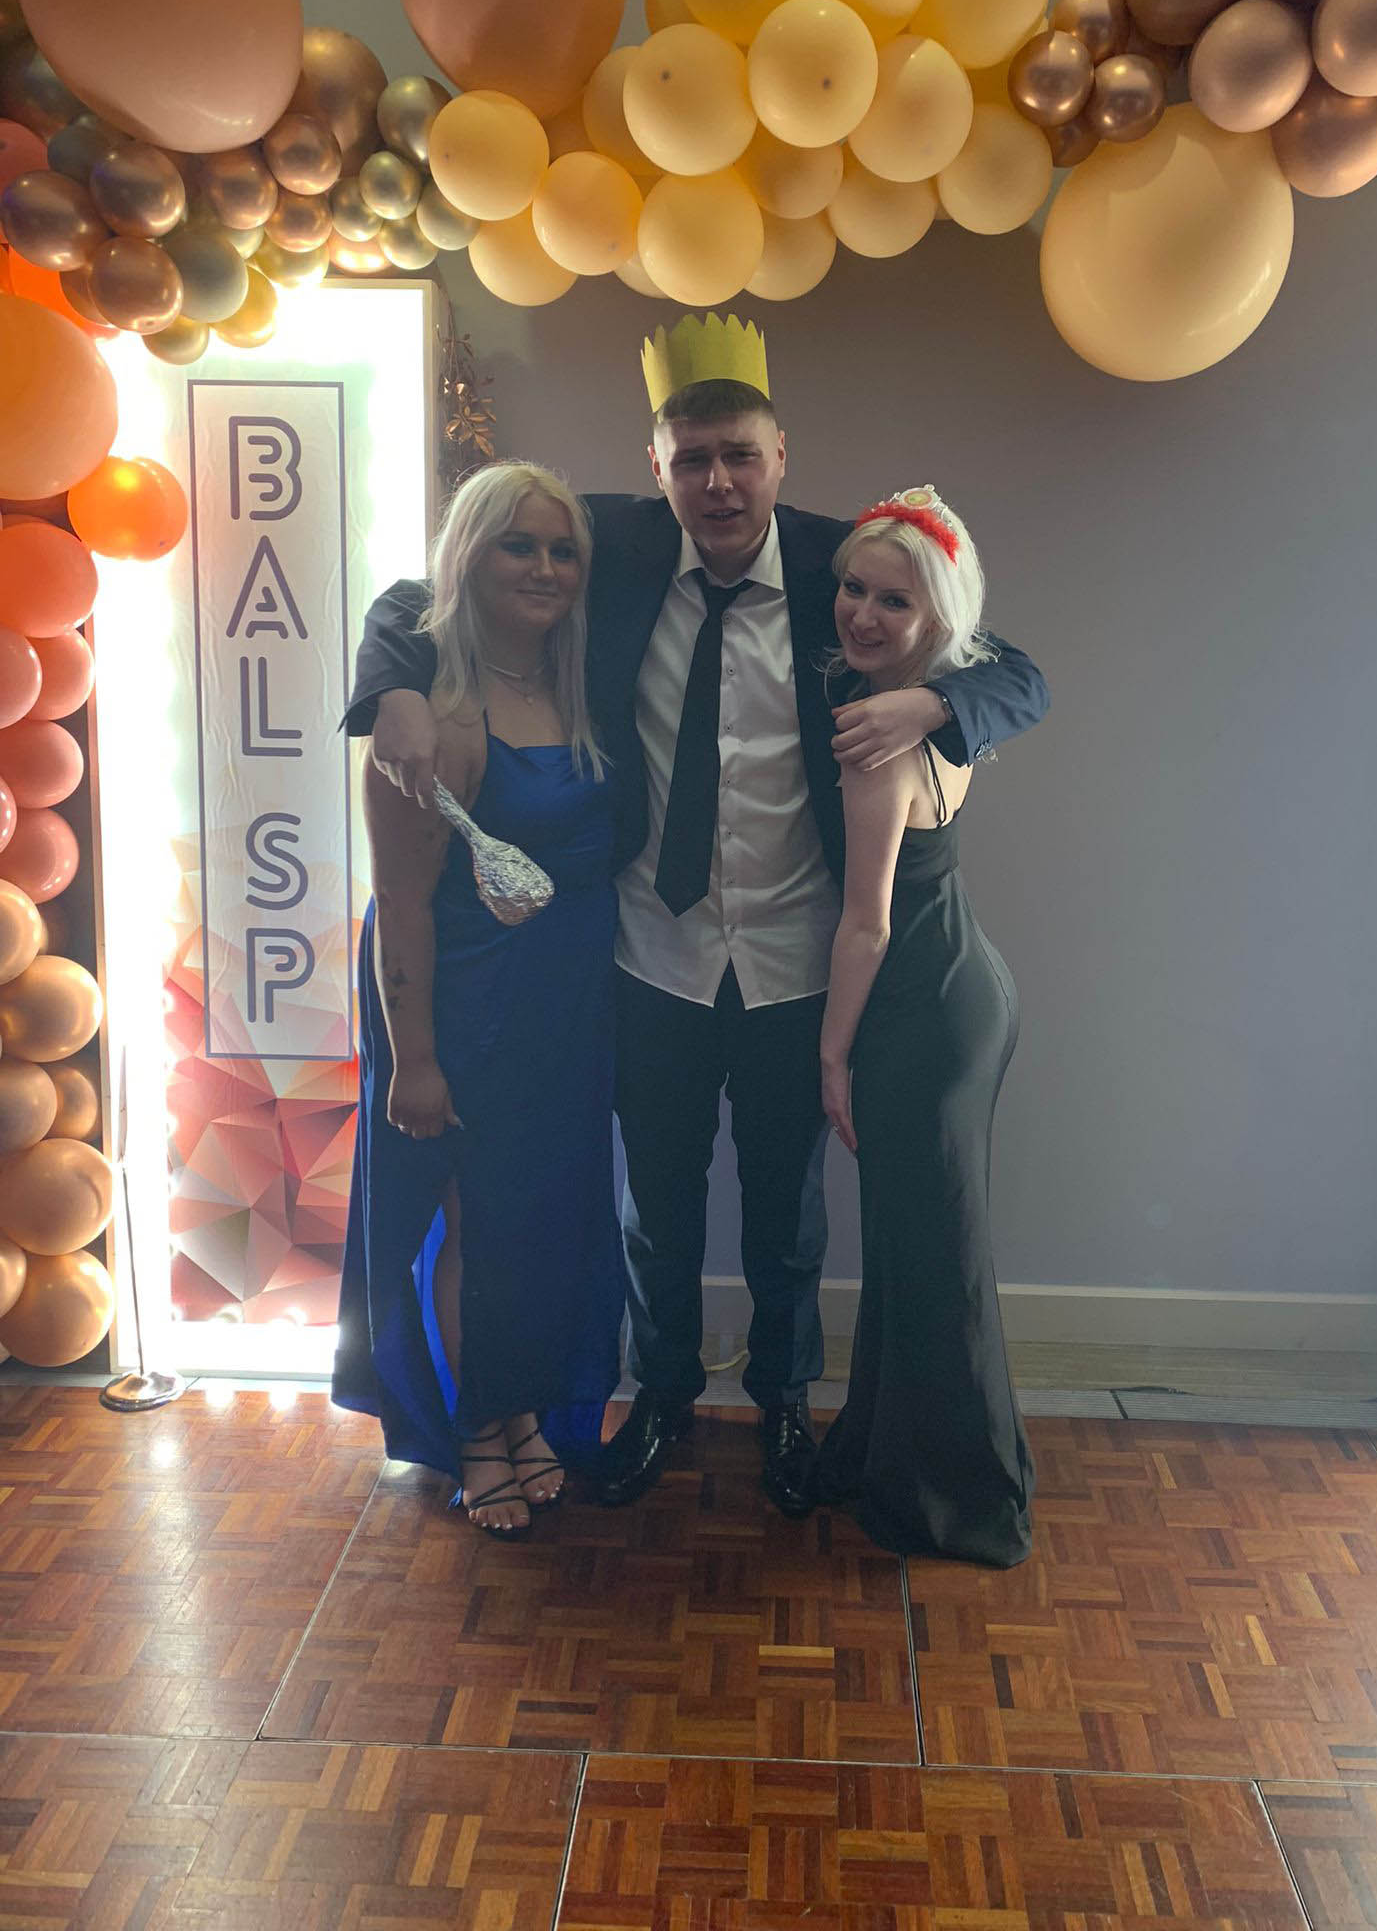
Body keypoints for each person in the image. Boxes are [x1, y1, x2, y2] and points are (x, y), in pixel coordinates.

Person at [347, 314, 1048, 1519]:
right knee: (655, 1207)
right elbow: (432, 586)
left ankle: (782, 1402)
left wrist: (933, 703)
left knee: (786, 1214)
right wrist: (391, 689)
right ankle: (663, 1398)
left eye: (739, 456)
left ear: (780, 458)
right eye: (692, 459)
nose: (717, 482)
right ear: (658, 466)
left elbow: (1017, 671)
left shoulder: (840, 569)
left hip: (793, 955)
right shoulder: (611, 549)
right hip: (648, 952)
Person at [332, 461, 625, 1539]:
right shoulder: (433, 717)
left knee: (541, 1220)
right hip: (464, 1004)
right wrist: (414, 1060)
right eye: (519, 545)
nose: (545, 567)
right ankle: (478, 1430)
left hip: (568, 1003)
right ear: (469, 553)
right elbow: (402, 906)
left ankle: (522, 1407)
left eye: (562, 549)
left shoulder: (578, 679)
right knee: (476, 1220)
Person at [814, 487, 1033, 1567]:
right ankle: (881, 1454)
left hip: (920, 1013)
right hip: (965, 990)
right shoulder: (929, 712)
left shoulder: (881, 739)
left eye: (892, 601)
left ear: (936, 616)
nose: (861, 613)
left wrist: (830, 1053)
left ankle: (964, 1499)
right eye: (852, 589)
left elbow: (865, 925)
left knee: (940, 1265)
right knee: (916, 1251)